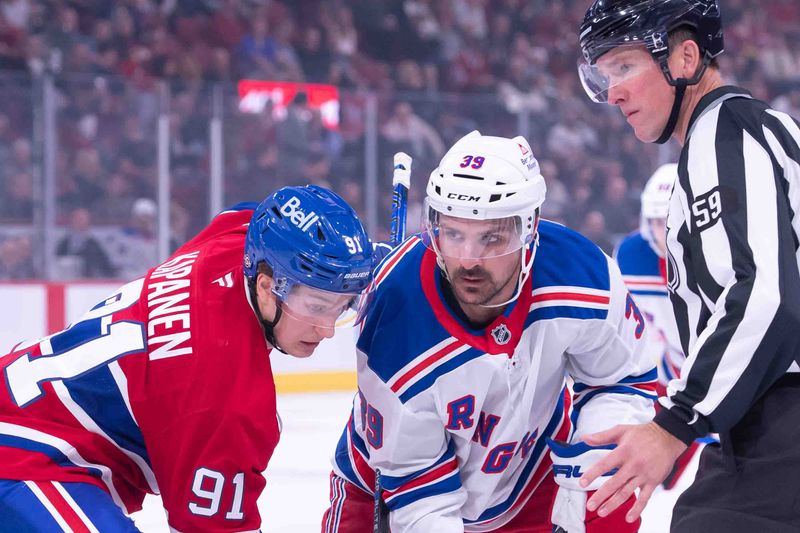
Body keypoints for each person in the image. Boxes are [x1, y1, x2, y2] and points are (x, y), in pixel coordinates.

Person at [320, 131, 656, 533]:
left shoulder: (582, 275)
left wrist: (589, 464)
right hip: (391, 484)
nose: (468, 260)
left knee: (611, 491)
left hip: (531, 477)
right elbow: (417, 485)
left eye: (491, 238)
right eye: (454, 234)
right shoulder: (395, 319)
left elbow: (622, 380)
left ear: (529, 229)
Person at [0, 185, 378, 532]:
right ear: (266, 285)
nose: (327, 329)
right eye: (315, 306)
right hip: (27, 459)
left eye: (341, 307)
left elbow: (251, 213)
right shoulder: (224, 398)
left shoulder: (234, 241)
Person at [576, 1, 800, 530]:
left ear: (685, 56)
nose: (614, 92)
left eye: (625, 66)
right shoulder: (735, 137)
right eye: (603, 76)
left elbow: (766, 296)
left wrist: (673, 425)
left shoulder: (728, 132)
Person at [613, 163, 706, 490]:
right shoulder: (632, 254)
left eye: (671, 222)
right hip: (668, 376)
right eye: (657, 222)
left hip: (717, 374)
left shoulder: (718, 255)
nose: (665, 233)